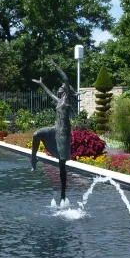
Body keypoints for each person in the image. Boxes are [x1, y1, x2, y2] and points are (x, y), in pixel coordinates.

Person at [31, 58, 74, 202]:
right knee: (37, 134)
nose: (61, 88)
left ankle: (63, 195)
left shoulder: (67, 99)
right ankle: (33, 159)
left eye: (63, 87)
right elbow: (50, 94)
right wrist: (41, 83)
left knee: (62, 164)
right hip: (55, 129)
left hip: (63, 132)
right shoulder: (60, 100)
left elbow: (66, 79)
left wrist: (55, 65)